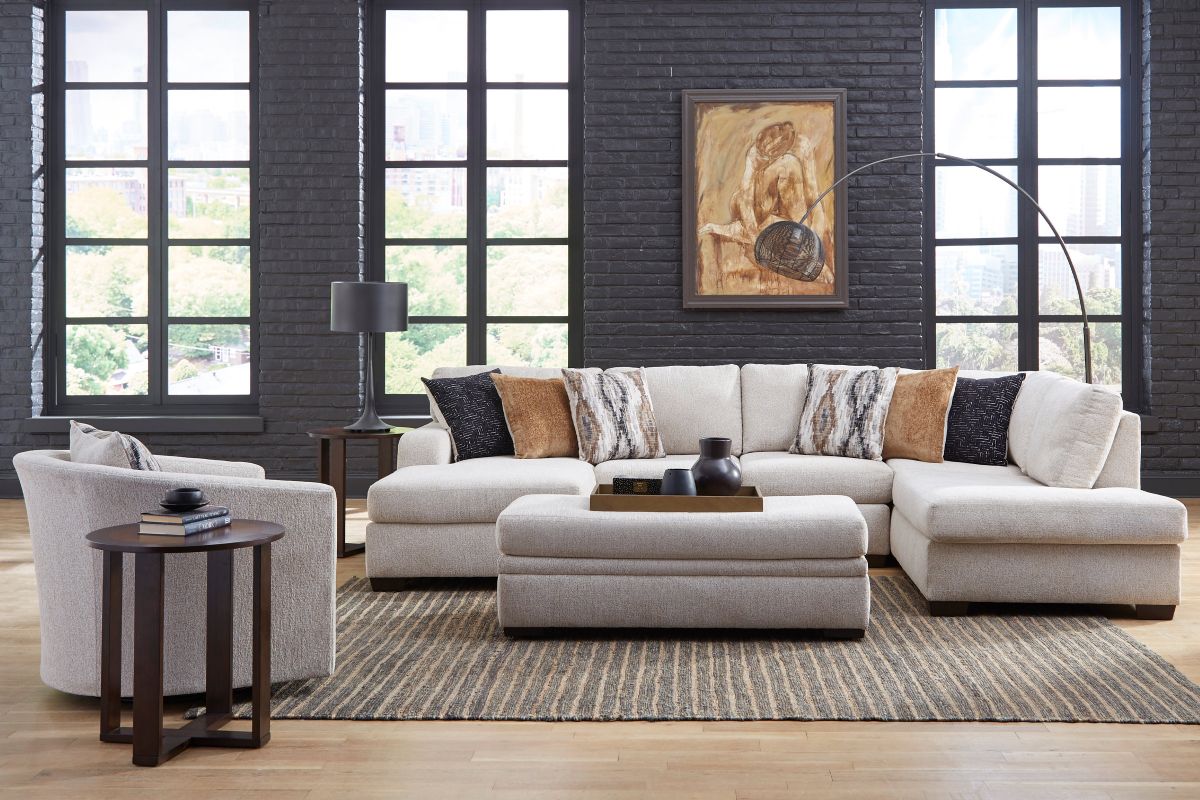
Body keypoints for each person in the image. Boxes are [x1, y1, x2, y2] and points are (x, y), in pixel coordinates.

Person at [699, 121, 834, 284]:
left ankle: (801, 240)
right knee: (788, 165)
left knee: (790, 165)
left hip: (782, 211)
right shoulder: (754, 154)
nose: (763, 157)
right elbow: (745, 200)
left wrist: (814, 237)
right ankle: (738, 230)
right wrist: (756, 240)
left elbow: (813, 194)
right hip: (751, 207)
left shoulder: (802, 147)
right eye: (762, 153)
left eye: (768, 155)